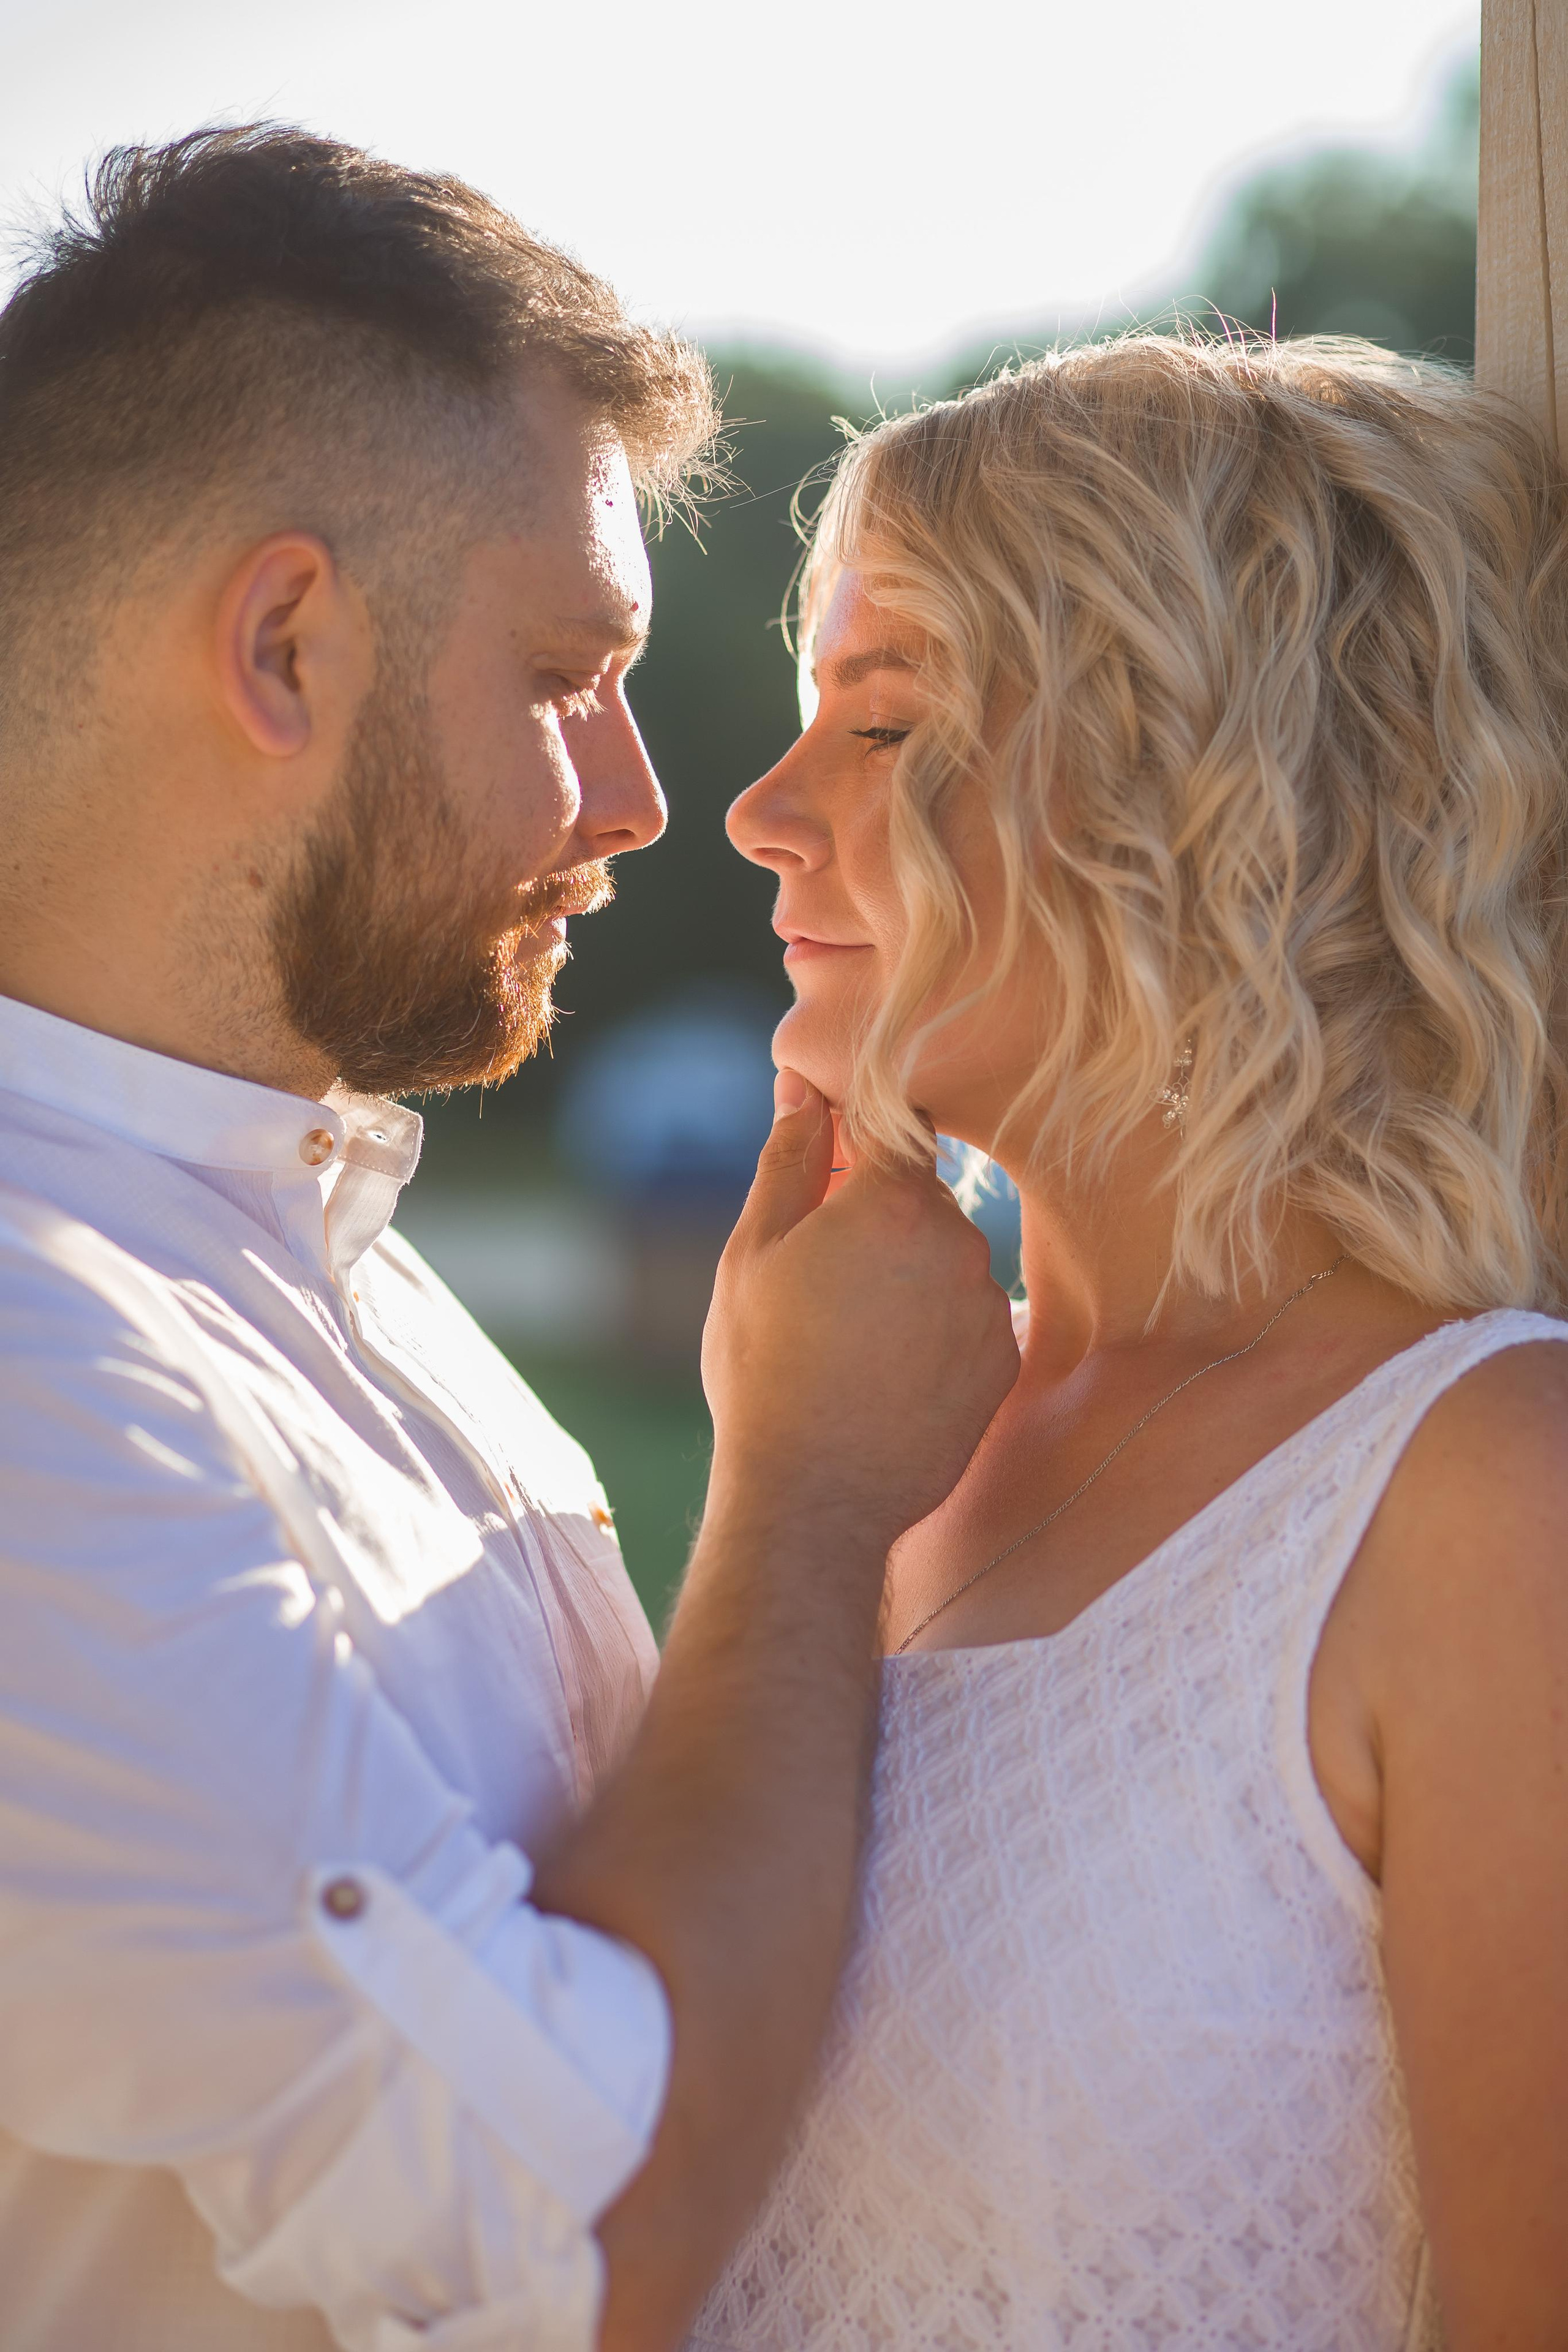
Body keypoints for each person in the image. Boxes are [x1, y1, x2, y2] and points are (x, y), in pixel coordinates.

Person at [0, 127, 1019, 2352]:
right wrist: (809, 1498)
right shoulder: (29, 1353)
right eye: (571, 675)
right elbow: (586, 2234)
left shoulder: (305, 1233)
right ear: (282, 645)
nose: (651, 800)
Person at [698, 334, 1568, 2350]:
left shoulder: (1481, 1497)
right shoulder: (865, 1436)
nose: (763, 809)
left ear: (1220, 782)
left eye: (887, 721)